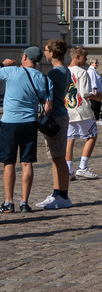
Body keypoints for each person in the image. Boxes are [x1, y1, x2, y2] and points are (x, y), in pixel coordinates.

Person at [0, 45, 50, 212]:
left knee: (9, 163)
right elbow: (47, 105)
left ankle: (8, 202)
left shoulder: (11, 71)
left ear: (25, 58)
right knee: (27, 162)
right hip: (30, 123)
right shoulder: (43, 79)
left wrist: (3, 64)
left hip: (10, 123)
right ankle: (24, 203)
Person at [37, 40, 73, 209]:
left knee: (58, 157)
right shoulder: (64, 70)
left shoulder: (54, 74)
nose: (44, 52)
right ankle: (57, 192)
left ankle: (63, 195)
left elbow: (47, 97)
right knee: (55, 156)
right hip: (61, 114)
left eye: (46, 50)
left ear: (52, 53)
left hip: (55, 116)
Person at [65, 48, 102, 179]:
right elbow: (85, 93)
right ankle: (82, 167)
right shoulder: (82, 72)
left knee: (70, 139)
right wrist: (97, 97)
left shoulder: (64, 71)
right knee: (92, 135)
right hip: (81, 110)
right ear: (77, 57)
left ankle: (68, 170)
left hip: (68, 109)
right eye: (85, 57)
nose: (86, 60)